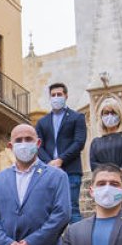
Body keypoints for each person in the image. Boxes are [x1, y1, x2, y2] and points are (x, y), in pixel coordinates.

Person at [35, 82, 87, 223]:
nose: (56, 97)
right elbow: (38, 145)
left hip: (71, 171)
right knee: (50, 210)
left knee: (72, 209)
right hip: (48, 171)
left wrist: (61, 160)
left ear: (66, 96)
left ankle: (78, 243)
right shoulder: (42, 122)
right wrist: (49, 162)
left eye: (59, 94)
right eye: (53, 95)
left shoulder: (77, 118)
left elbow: (79, 142)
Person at [87, 97, 122, 211]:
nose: (109, 116)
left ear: (119, 114)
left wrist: (120, 173)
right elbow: (93, 164)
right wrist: (109, 176)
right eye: (106, 113)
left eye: (113, 112)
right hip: (105, 190)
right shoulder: (96, 142)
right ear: (101, 116)